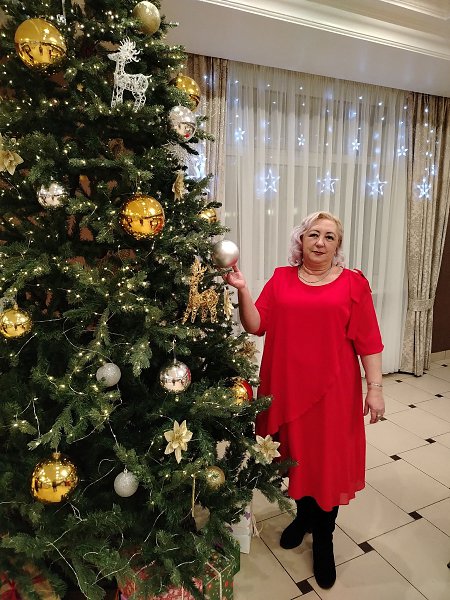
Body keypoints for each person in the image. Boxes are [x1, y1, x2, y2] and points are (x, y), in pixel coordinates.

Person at [224, 211, 384, 589]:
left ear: (337, 245)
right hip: (287, 388)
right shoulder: (281, 278)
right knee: (295, 458)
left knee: (327, 463)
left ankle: (324, 537)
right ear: (301, 240)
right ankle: (304, 516)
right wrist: (243, 290)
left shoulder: (353, 284)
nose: (320, 242)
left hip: (333, 393)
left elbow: (368, 339)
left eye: (329, 237)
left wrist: (375, 388)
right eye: (313, 234)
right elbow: (256, 325)